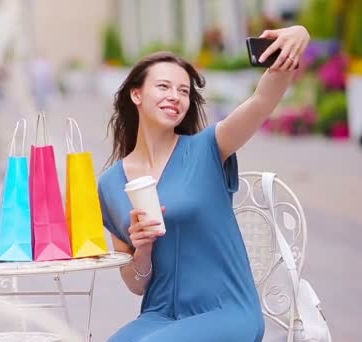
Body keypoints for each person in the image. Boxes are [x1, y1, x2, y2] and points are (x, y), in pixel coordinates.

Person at [97, 25, 311, 341]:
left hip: (226, 311)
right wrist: (142, 249)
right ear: (136, 94)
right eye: (164, 86)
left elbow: (261, 102)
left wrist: (298, 37)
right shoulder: (111, 184)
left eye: (183, 91)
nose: (175, 96)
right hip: (159, 315)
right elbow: (136, 284)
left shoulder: (209, 148)